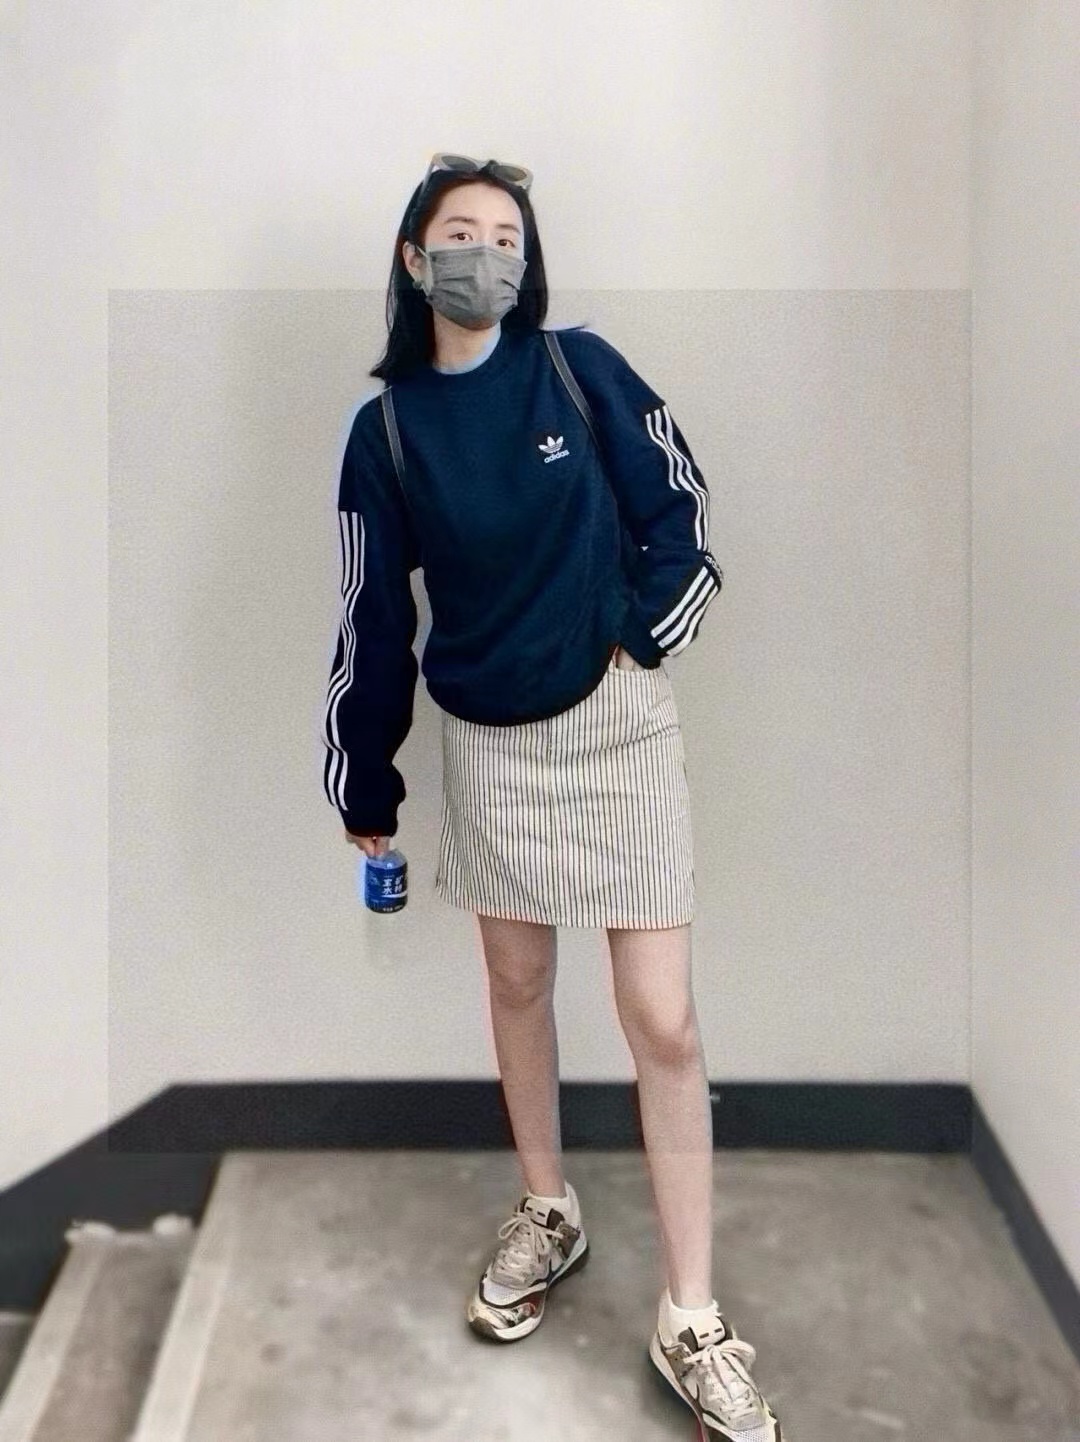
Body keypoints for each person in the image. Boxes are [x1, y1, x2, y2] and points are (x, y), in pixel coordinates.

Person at [320, 153, 780, 1439]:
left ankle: (692, 1313)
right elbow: (371, 614)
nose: (487, 254)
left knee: (662, 1019)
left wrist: (637, 640)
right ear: (416, 258)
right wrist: (365, 768)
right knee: (517, 982)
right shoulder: (388, 431)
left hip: (616, 730)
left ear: (527, 261)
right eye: (461, 232)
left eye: (507, 236)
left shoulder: (581, 369)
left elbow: (682, 516)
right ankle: (548, 1206)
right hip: (488, 743)